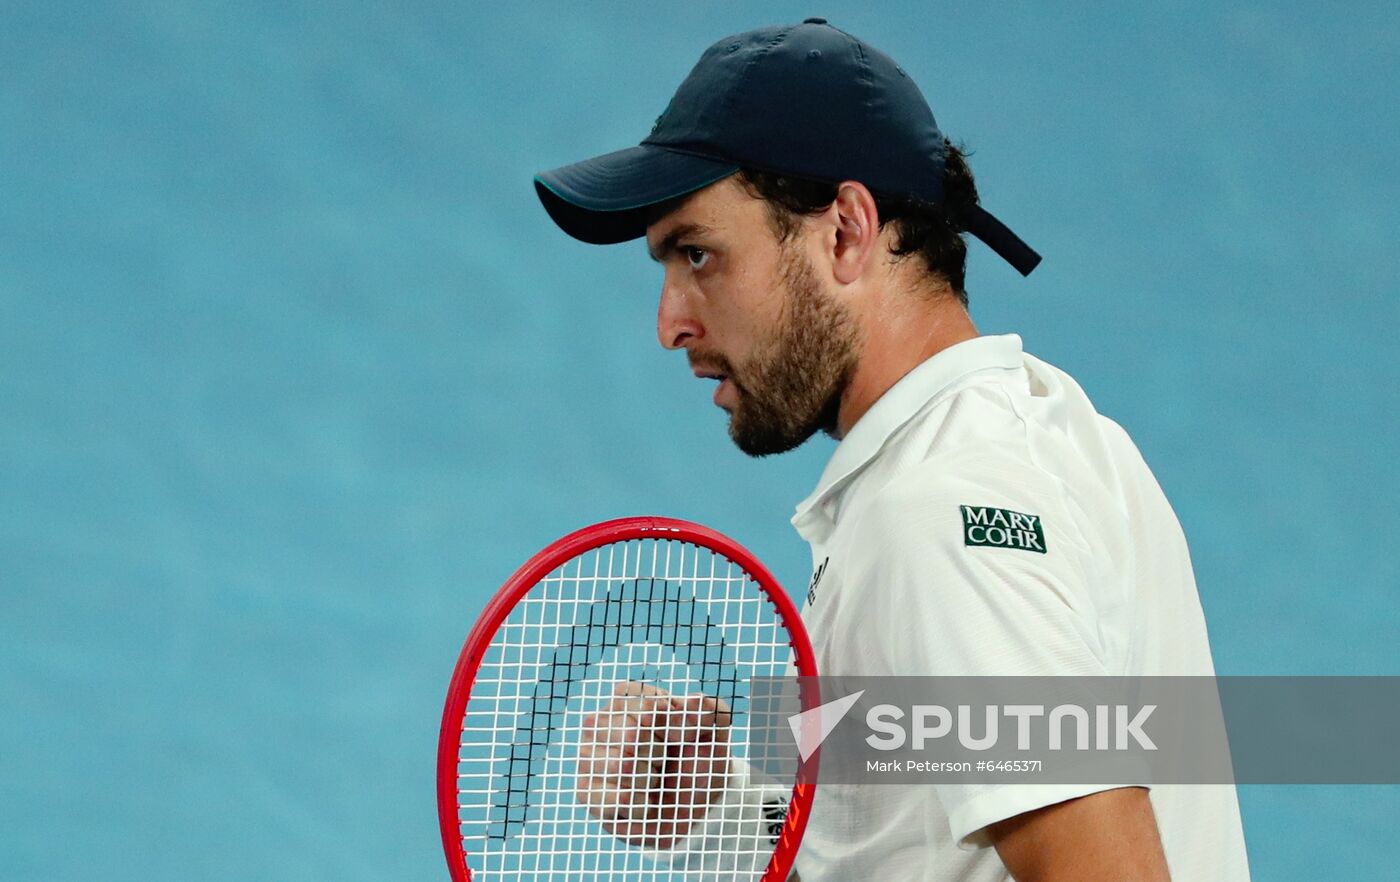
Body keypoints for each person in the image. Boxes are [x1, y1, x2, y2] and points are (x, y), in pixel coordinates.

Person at [534, 18, 1251, 882]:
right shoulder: (1050, 442)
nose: (670, 323)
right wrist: (719, 807)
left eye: (699, 253)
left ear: (844, 231)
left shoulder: (943, 511)